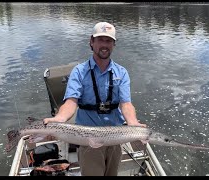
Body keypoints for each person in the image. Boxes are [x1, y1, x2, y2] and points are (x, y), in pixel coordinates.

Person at [43, 22, 146, 176]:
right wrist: (59, 118)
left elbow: (126, 104)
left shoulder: (122, 72)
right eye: (100, 40)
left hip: (115, 138)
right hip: (88, 140)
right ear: (91, 41)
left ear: (114, 44)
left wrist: (132, 123)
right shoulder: (79, 72)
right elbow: (71, 102)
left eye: (109, 41)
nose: (104, 45)